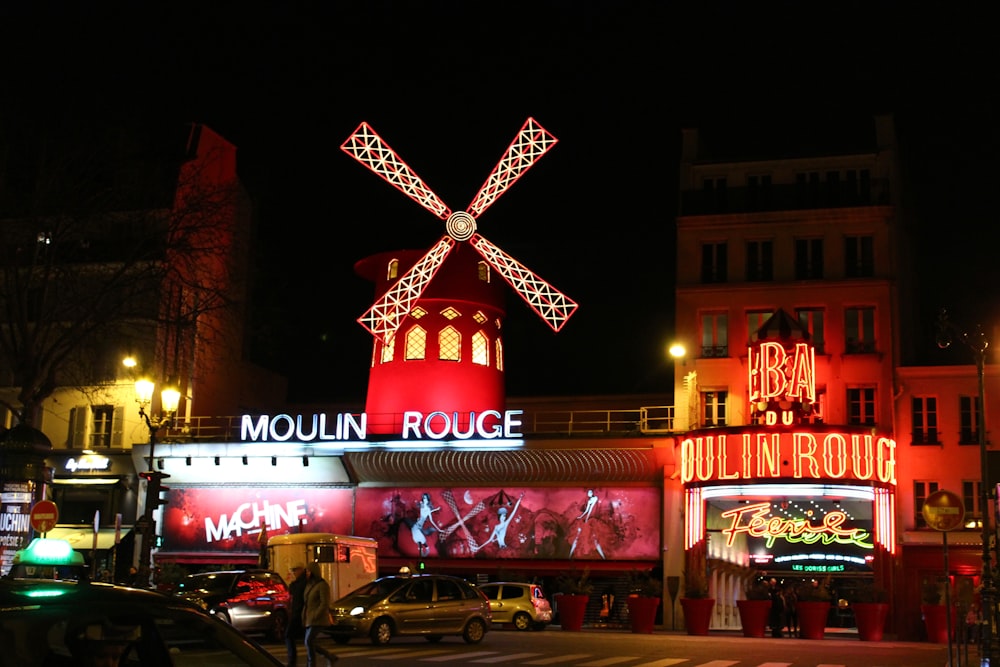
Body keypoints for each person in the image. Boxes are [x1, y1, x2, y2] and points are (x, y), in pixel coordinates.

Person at [301, 562, 330, 667]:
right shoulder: (309, 585)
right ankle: (329, 656)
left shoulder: (322, 585)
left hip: (318, 619)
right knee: (309, 642)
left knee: (308, 641)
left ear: (313, 572)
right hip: (309, 618)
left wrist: (316, 614)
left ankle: (311, 664)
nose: (307, 573)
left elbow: (324, 603)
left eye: (308, 571)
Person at [285, 564, 307, 667]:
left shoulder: (301, 583)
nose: (294, 573)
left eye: (295, 570)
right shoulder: (301, 583)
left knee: (289, 635)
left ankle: (292, 660)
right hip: (299, 613)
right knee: (307, 639)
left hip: (299, 613)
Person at [411, 492, 441, 557]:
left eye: (425, 498)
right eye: (423, 498)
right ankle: (422, 553)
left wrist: (439, 529)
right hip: (417, 525)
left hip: (419, 526)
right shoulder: (422, 505)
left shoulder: (428, 510)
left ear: (427, 500)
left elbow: (432, 520)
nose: (424, 499)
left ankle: (426, 550)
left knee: (420, 538)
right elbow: (419, 506)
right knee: (418, 538)